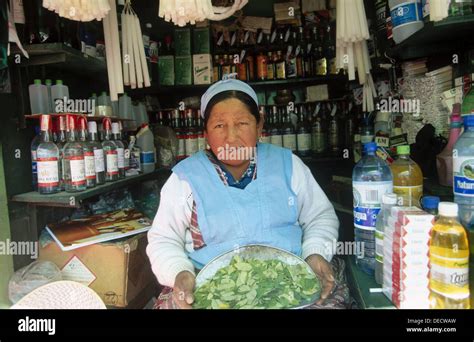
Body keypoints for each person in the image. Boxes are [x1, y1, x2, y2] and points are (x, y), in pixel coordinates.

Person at [146, 79, 340, 309]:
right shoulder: (185, 179)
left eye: (242, 123)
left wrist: (315, 253)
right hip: (212, 293)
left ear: (259, 126)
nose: (231, 137)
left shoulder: (288, 165)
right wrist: (180, 273)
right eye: (219, 125)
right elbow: (163, 240)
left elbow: (320, 216)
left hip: (290, 286)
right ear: (205, 133)